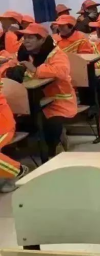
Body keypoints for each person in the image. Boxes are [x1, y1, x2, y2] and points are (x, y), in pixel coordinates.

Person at [10, 23, 77, 157]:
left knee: (50, 125)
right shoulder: (24, 53)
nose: (26, 41)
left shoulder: (56, 54)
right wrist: (11, 70)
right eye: (24, 37)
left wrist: (35, 69)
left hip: (57, 101)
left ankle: (55, 148)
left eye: (30, 38)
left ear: (41, 40)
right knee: (19, 121)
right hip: (34, 97)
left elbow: (61, 71)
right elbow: (12, 62)